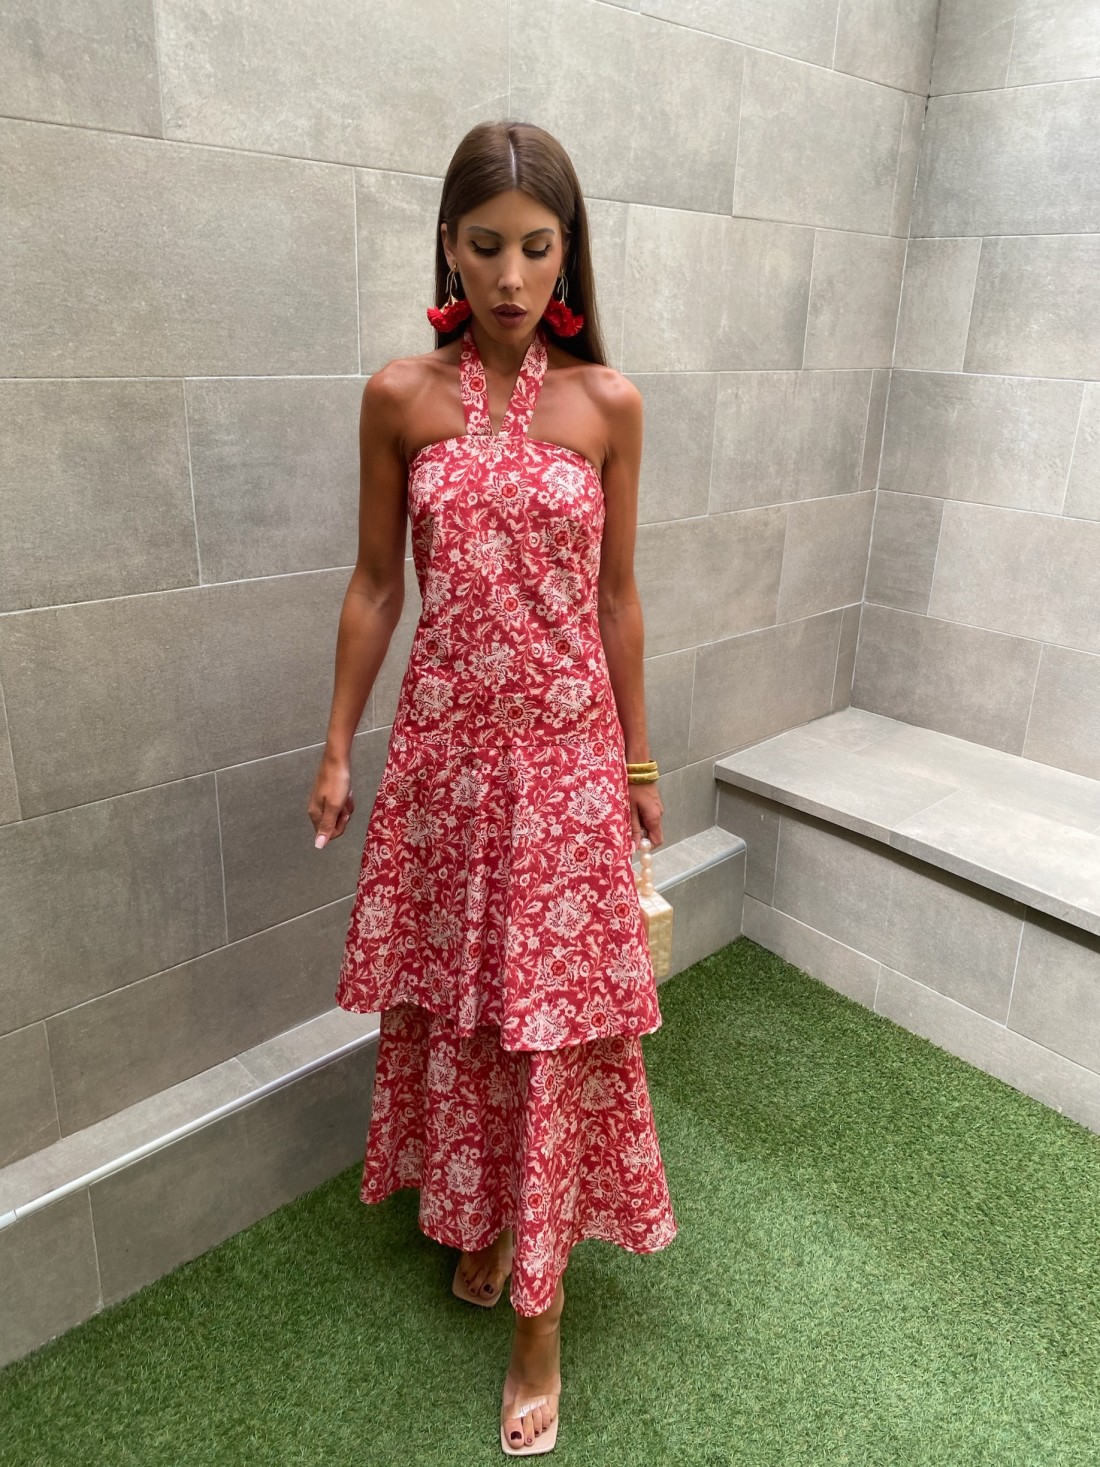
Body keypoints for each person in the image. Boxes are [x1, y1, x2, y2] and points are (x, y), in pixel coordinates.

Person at [307, 119, 678, 1456]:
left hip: (566, 767)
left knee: (551, 1024)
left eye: (536, 246)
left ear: (568, 252)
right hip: (445, 768)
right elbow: (374, 584)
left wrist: (639, 763)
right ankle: (479, 1217)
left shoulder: (609, 405)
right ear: (447, 248)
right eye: (485, 247)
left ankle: (542, 1319)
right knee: (463, 1006)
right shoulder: (400, 397)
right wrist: (338, 744)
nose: (511, 277)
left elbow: (619, 600)